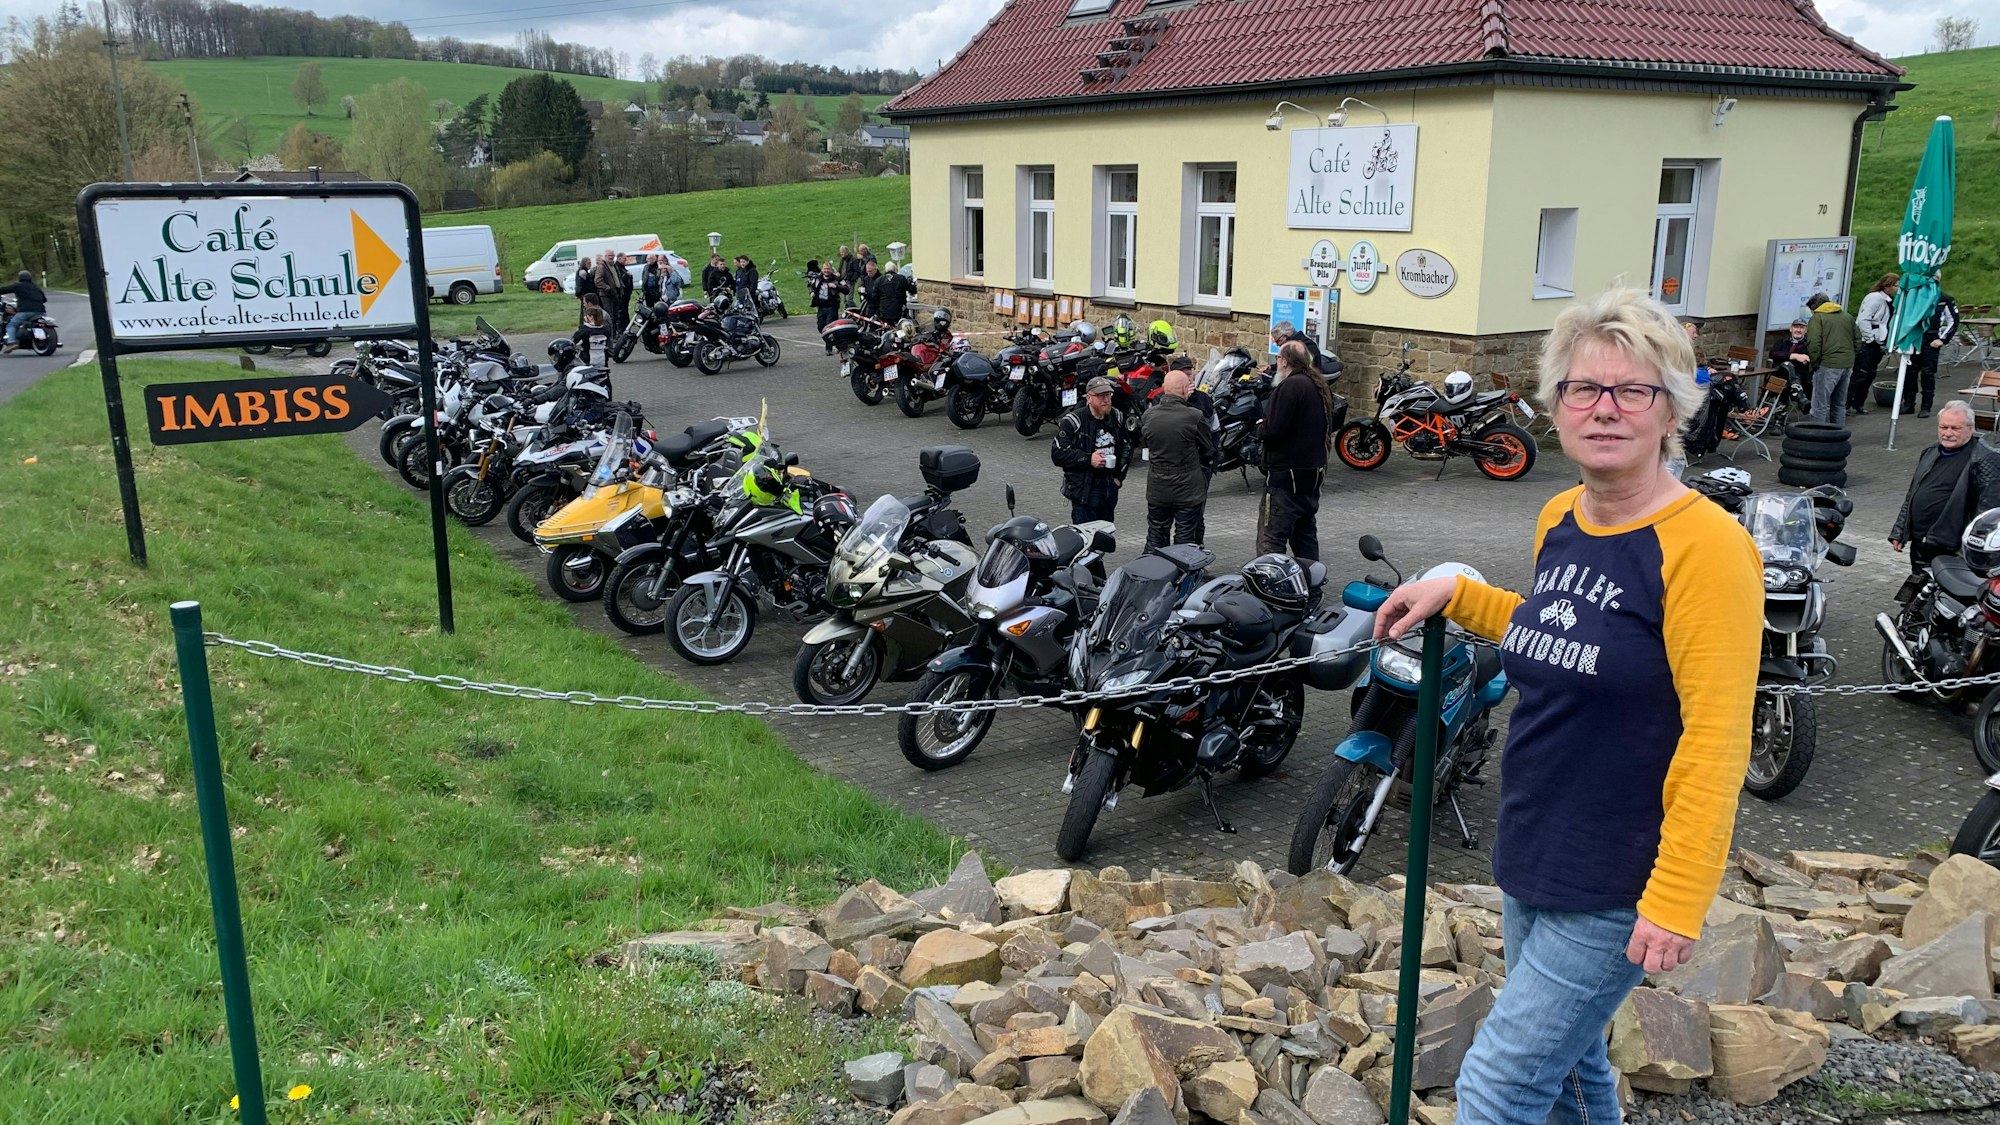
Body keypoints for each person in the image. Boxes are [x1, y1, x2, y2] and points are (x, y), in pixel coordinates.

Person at [1371, 287, 1761, 1125]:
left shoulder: (1708, 549)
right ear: (1555, 404)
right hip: (1536, 840)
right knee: (1576, 1067)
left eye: (1634, 390)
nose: (1606, 408)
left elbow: (1719, 736)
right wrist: (1461, 592)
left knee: (1497, 1087)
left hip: (1618, 871)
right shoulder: (1561, 517)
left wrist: (1677, 894)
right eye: (1584, 388)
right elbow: (1558, 632)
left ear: (1672, 411)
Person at [1890, 402, 2000, 571]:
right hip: (1921, 542)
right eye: (1943, 427)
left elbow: (1987, 508)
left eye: (1955, 428)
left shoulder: (1982, 459)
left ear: (1971, 428)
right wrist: (1899, 531)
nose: (1948, 433)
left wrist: (1971, 546)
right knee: (1920, 590)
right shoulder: (1930, 451)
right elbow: (1912, 493)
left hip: (1950, 547)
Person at [1258, 340, 1331, 561]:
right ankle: (1312, 586)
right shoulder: (1317, 384)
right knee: (1305, 536)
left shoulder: (1290, 386)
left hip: (1285, 478)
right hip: (1311, 476)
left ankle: (1270, 586)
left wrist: (1259, 427)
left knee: (1272, 538)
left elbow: (1273, 428)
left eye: (1278, 358)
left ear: (1284, 362)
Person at [1140, 368, 1215, 551]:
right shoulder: (1194, 416)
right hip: (1188, 488)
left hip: (1158, 487)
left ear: (1164, 389)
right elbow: (1209, 450)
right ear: (1183, 390)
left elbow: (1146, 443)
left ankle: (1153, 572)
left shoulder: (1148, 416)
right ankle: (1183, 577)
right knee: (1185, 538)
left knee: (1156, 535)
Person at [1051, 375, 1129, 524]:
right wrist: (1088, 459)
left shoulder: (1117, 417)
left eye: (1108, 395)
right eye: (1100, 396)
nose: (1105, 400)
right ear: (1089, 398)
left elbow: (1126, 446)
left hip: (1109, 485)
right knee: (1085, 536)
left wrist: (1119, 477)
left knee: (1106, 534)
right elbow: (1058, 454)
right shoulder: (1073, 421)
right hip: (1085, 488)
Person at [1804, 291, 1858, 425]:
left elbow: (1814, 343)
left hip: (1827, 364)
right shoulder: (1847, 316)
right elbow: (1858, 339)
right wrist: (1850, 356)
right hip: (1847, 364)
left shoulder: (1817, 318)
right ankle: (1837, 437)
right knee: (1839, 404)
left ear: (1815, 307)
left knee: (1819, 405)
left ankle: (1817, 438)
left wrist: (1814, 363)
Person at [1907, 287, 1960, 419]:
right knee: (1910, 372)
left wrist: (1942, 339)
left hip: (1931, 340)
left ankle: (1926, 406)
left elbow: (1953, 321)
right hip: (1914, 339)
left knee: (1928, 373)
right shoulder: (1914, 296)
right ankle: (1908, 404)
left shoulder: (1944, 299)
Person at [1852, 274, 1898, 415]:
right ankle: (1847, 403)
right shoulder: (1875, 298)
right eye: (1896, 285)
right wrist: (1870, 338)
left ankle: (1859, 404)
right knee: (1860, 374)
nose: (1898, 289)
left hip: (1878, 342)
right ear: (1887, 286)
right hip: (1868, 343)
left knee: (1870, 375)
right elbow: (1863, 319)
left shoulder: (1888, 300)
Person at [1269, 320, 1340, 378]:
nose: (1277, 344)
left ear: (1284, 337)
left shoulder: (1303, 347)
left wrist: (1270, 374)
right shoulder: (1293, 344)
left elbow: (1293, 370)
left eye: (1277, 341)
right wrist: (1271, 367)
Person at [0, 270, 46, 353]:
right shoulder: (35, 286)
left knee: (12, 325)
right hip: (41, 311)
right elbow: (44, 299)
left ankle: (11, 343)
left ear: (20, 278)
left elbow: (4, 290)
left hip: (25, 310)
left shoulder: (18, 286)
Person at [810, 261, 850, 352]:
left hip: (832, 306)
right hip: (821, 306)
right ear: (822, 269)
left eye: (828, 269)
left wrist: (836, 286)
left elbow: (847, 289)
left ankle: (829, 348)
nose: (826, 271)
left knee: (829, 326)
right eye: (825, 269)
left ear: (831, 270)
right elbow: (811, 286)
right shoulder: (817, 278)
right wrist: (812, 292)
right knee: (821, 327)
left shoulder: (837, 278)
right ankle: (837, 341)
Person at [573, 296, 610, 364]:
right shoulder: (605, 330)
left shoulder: (584, 331)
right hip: (603, 360)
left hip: (587, 360)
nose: (584, 317)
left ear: (591, 317)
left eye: (586, 315)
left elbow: (573, 343)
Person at [573, 255, 599, 328]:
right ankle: (583, 326)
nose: (590, 264)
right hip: (585, 295)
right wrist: (579, 294)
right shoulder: (583, 272)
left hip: (585, 294)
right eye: (588, 263)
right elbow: (580, 284)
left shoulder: (583, 271)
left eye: (590, 263)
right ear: (584, 263)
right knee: (585, 311)